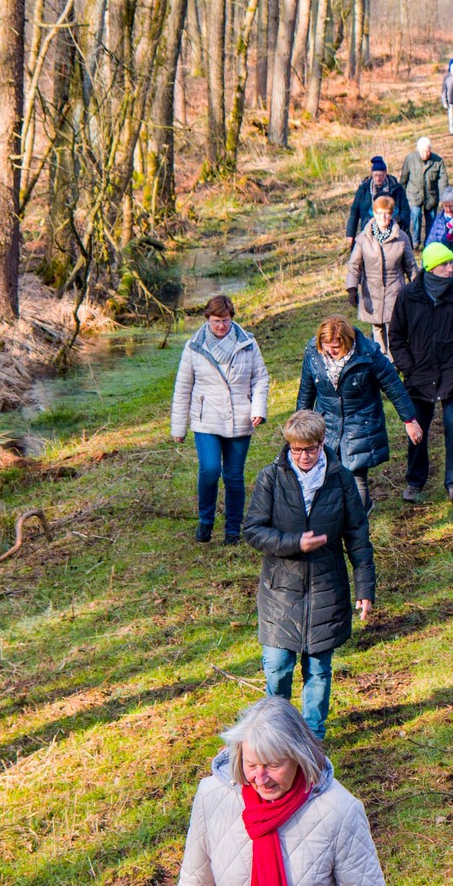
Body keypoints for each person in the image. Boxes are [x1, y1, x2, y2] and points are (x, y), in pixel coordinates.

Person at [239, 411, 374, 742]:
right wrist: (294, 543)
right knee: (277, 667)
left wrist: (365, 588)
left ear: (321, 443)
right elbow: (253, 530)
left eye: (309, 450)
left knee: (318, 670)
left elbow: (357, 534)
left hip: (327, 588)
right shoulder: (271, 477)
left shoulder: (341, 480)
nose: (303, 457)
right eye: (296, 449)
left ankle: (314, 740)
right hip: (280, 591)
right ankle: (277, 733)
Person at [176, 696, 385, 886]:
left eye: (273, 766)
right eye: (251, 765)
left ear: (299, 756)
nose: (260, 779)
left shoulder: (340, 811)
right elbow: (194, 879)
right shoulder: (212, 796)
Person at [297, 316, 424, 513]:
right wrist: (300, 426)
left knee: (356, 474)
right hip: (328, 421)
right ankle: (338, 516)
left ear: (347, 343)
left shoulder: (368, 354)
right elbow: (307, 389)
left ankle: (359, 521)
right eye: (326, 346)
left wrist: (410, 420)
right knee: (328, 472)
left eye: (336, 348)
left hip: (360, 421)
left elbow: (393, 386)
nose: (330, 351)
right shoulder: (313, 352)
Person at [172, 295, 270, 544]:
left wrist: (258, 408)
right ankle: (205, 523)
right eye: (216, 321)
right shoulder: (194, 346)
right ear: (207, 319)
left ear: (231, 318)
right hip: (206, 420)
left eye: (225, 321)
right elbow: (183, 387)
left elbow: (260, 378)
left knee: (234, 476)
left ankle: (232, 531)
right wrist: (179, 426)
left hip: (240, 419)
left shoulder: (247, 343)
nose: (221, 326)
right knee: (210, 469)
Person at [389, 242, 453, 504]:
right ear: (430, 267)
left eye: (451, 263)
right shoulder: (408, 295)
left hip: (452, 374)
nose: (451, 268)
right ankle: (415, 481)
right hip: (419, 376)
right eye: (445, 264)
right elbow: (396, 336)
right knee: (417, 429)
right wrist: (409, 368)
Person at [347, 195, 417, 358]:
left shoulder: (401, 237)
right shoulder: (364, 238)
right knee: (376, 327)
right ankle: (381, 361)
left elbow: (410, 265)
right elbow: (354, 264)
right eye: (379, 213)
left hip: (394, 289)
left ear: (391, 214)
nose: (382, 217)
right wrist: (351, 288)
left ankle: (395, 360)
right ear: (374, 214)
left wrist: (417, 286)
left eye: (386, 213)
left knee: (393, 327)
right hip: (371, 290)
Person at [344, 156, 412, 246]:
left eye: (380, 175)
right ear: (371, 174)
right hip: (368, 230)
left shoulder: (396, 188)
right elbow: (354, 212)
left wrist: (399, 220)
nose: (377, 178)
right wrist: (350, 234)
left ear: (385, 173)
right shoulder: (363, 189)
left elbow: (405, 210)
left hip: (393, 231)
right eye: (375, 175)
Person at [399, 136, 447, 239]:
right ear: (419, 150)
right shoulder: (410, 159)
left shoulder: (438, 161)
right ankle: (415, 240)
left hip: (431, 197)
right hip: (414, 196)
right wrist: (400, 196)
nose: (427, 154)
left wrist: (444, 197)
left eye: (429, 151)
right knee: (416, 216)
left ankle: (429, 241)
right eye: (425, 152)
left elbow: (443, 181)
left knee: (431, 219)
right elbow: (404, 179)